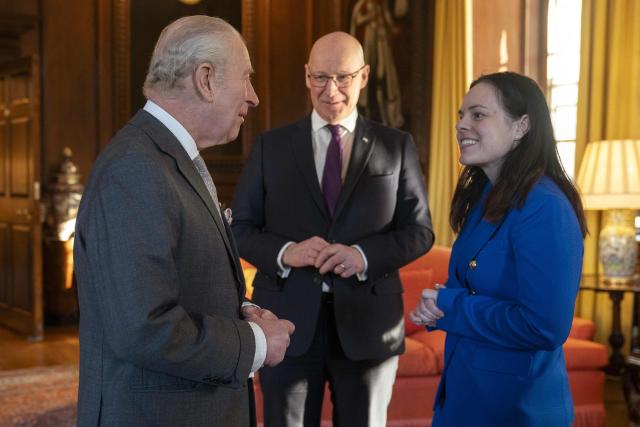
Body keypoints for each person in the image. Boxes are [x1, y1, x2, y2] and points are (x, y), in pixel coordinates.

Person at [73, 16, 295, 427]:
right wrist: (256, 344)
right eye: (245, 78)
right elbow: (145, 327)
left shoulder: (165, 159)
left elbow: (178, 282)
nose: (254, 97)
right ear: (206, 79)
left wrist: (241, 311)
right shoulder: (134, 169)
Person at [230, 31, 434, 427]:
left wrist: (362, 256)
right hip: (286, 322)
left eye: (343, 77)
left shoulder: (397, 145)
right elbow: (239, 229)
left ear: (364, 75)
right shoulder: (270, 147)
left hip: (370, 325)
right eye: (320, 77)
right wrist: (286, 252)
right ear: (307, 76)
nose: (331, 90)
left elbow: (420, 230)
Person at [409, 71, 587, 426]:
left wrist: (450, 305)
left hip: (517, 407)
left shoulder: (545, 207)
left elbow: (544, 327)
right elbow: (475, 284)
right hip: (466, 395)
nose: (461, 125)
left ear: (521, 126)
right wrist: (440, 305)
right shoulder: (485, 197)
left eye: (478, 114)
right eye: (461, 115)